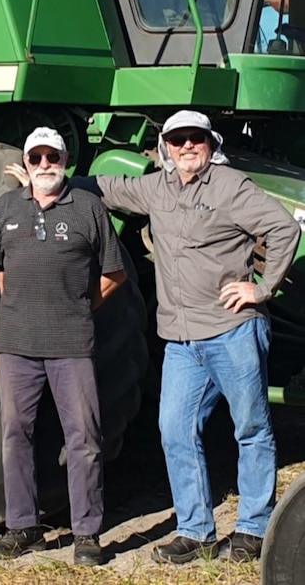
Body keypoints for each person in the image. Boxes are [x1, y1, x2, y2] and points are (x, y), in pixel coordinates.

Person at [91, 111, 301, 563]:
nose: (187, 146)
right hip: (181, 341)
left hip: (232, 332)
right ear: (165, 145)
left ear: (210, 143)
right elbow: (107, 187)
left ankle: (253, 528)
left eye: (196, 139)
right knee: (174, 430)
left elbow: (284, 228)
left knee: (251, 429)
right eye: (178, 139)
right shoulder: (156, 188)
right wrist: (45, 182)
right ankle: (196, 530)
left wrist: (261, 289)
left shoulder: (230, 187)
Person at [0, 127, 127, 567]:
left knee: (84, 436)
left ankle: (86, 532)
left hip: (71, 343)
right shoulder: (6, 208)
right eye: (36, 157)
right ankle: (23, 526)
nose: (45, 164)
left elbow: (114, 272)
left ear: (65, 161)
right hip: (16, 343)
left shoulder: (88, 208)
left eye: (53, 157)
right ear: (26, 163)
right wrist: (25, 304)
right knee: (15, 434)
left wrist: (78, 306)